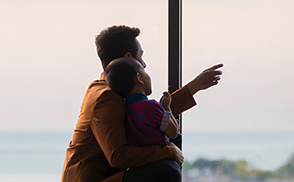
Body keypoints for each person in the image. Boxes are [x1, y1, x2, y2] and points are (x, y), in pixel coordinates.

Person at [62, 25, 223, 182]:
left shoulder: (113, 90)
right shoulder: (106, 97)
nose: (144, 64)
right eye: (141, 56)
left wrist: (194, 86)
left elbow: (151, 115)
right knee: (168, 170)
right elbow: (117, 156)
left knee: (173, 141)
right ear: (129, 58)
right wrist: (169, 152)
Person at [105, 57, 181, 147]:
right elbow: (173, 132)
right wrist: (166, 108)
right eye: (145, 72)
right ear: (139, 78)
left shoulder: (125, 110)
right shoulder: (153, 107)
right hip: (160, 157)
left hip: (139, 159)